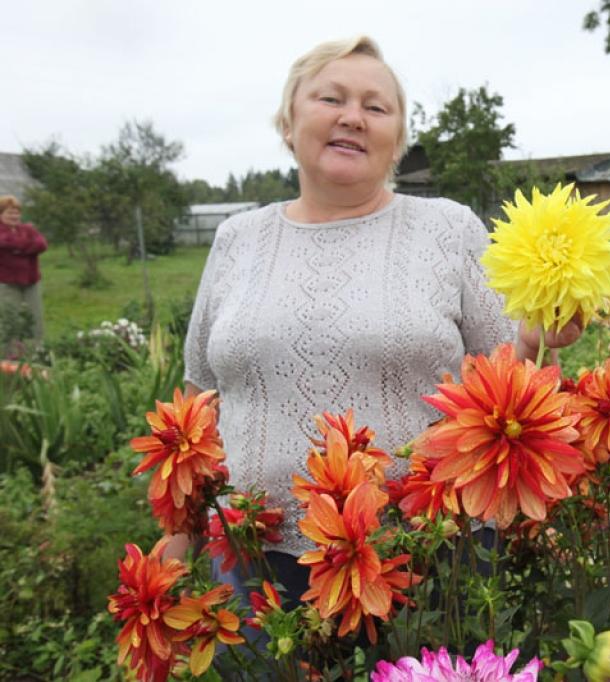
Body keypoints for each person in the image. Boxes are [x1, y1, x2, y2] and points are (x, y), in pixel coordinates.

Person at [178, 37, 581, 601]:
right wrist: (179, 534)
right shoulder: (237, 239)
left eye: (376, 106)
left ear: (397, 141)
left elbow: (512, 381)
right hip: (254, 561)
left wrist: (536, 340)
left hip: (427, 552)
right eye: (331, 99)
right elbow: (199, 397)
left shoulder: (449, 229)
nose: (353, 117)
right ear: (288, 123)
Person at [0, 195, 48, 346]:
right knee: (10, 318)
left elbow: (42, 244)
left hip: (31, 280)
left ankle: (37, 351)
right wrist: (29, 247)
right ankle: (11, 354)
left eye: (17, 212)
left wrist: (18, 249)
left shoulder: (27, 229)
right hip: (7, 282)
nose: (14, 216)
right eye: (10, 212)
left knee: (36, 317)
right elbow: (5, 242)